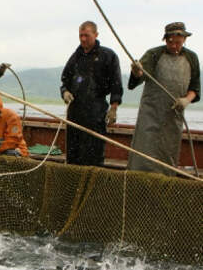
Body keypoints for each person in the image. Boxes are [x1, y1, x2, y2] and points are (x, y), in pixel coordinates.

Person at [127, 22, 200, 176]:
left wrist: (186, 100)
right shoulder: (153, 54)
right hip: (150, 116)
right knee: (143, 157)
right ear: (165, 40)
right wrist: (136, 71)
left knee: (168, 159)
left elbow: (195, 88)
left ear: (184, 40)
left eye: (178, 43)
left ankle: (163, 192)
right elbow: (139, 77)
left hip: (173, 118)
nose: (174, 46)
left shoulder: (191, 58)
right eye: (170, 42)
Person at [60, 21, 123, 166]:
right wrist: (65, 92)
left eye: (86, 35)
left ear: (96, 35)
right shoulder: (75, 57)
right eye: (80, 35)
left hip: (96, 112)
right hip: (74, 112)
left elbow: (116, 85)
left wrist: (113, 108)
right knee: (73, 154)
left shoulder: (108, 56)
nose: (83, 39)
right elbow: (64, 81)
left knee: (93, 154)